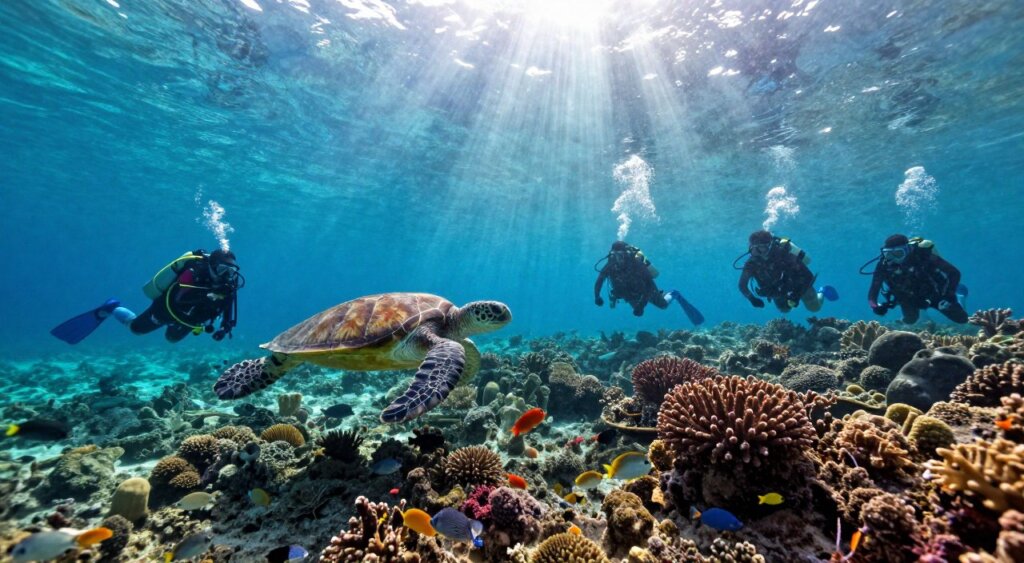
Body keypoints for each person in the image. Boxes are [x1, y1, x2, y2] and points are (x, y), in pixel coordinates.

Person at [51, 249, 243, 344]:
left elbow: (228, 308)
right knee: (136, 329)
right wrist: (208, 296)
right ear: (212, 265)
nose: (227, 275)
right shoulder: (193, 272)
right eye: (222, 269)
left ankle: (174, 327)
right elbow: (179, 298)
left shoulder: (228, 285)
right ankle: (112, 307)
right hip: (167, 310)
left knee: (172, 339)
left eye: (231, 271)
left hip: (191, 320)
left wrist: (226, 326)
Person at [866, 234, 967, 324]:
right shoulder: (883, 265)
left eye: (898, 253)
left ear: (908, 250)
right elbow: (873, 292)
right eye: (888, 254)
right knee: (910, 320)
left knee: (962, 319)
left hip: (935, 293)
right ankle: (921, 316)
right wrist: (875, 307)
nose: (893, 259)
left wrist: (948, 295)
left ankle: (959, 295)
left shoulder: (923, 256)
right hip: (908, 297)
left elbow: (954, 273)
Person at [594, 241, 703, 324]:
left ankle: (674, 294)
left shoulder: (636, 264)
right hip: (629, 293)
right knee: (638, 312)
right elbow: (599, 281)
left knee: (663, 305)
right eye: (615, 255)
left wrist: (641, 305)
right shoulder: (610, 264)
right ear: (611, 254)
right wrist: (597, 296)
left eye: (620, 255)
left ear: (627, 254)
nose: (618, 259)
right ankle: (644, 302)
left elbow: (649, 285)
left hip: (647, 290)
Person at [737, 230, 837, 313]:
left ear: (770, 246)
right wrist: (752, 299)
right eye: (754, 250)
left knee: (814, 308)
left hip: (798, 283)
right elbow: (742, 285)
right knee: (784, 310)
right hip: (778, 289)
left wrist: (796, 295)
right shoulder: (752, 263)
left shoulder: (784, 254)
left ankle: (822, 292)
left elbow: (808, 277)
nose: (758, 253)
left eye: (762, 248)